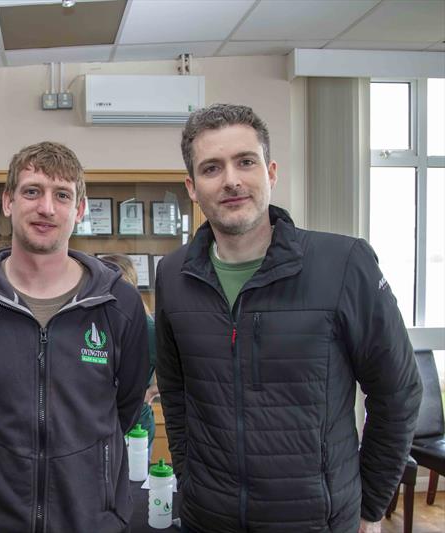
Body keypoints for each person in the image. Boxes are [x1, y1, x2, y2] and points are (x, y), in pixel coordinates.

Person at [155, 103, 422, 533]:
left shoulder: (344, 264)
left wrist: (368, 505)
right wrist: (191, 480)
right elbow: (175, 389)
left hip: (315, 521)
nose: (232, 180)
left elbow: (398, 393)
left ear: (271, 171)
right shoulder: (173, 274)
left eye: (245, 162)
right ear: (192, 186)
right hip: (209, 519)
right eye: (211, 168)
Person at [0, 141, 149, 532]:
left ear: (79, 210)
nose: (46, 207)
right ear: (8, 202)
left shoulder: (120, 304)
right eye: (32, 191)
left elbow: (125, 408)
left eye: (62, 195)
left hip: (92, 520)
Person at [100, 254, 159, 459]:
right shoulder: (98, 323)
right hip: (97, 426)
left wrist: (151, 392)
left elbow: (182, 371)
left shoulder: (148, 328)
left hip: (136, 430)